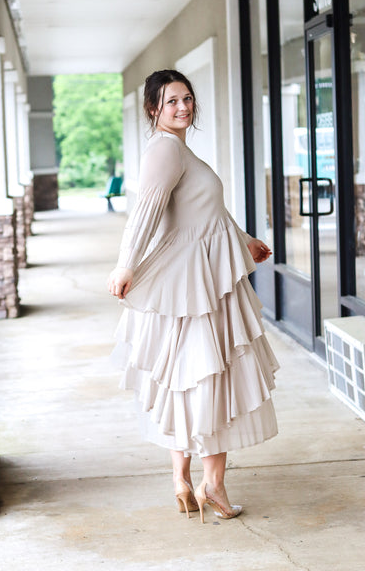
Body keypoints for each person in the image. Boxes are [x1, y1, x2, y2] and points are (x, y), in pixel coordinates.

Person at [107, 69, 279, 524]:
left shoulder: (178, 148)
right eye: (171, 102)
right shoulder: (165, 149)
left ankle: (182, 482)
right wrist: (126, 264)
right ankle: (213, 485)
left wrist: (245, 240)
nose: (183, 107)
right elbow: (146, 209)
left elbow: (209, 211)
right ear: (153, 109)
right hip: (196, 283)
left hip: (195, 279)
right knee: (211, 377)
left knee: (184, 378)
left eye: (187, 98)